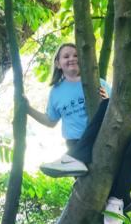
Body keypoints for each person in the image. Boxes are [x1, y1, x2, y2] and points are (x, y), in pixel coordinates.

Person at [25, 43, 111, 177]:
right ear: (58, 64)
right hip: (74, 143)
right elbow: (50, 121)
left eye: (76, 55)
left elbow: (116, 108)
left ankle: (71, 159)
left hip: (100, 139)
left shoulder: (98, 82)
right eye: (66, 56)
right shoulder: (56, 92)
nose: (72, 58)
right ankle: (73, 160)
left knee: (108, 180)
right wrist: (28, 109)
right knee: (85, 186)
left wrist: (107, 99)